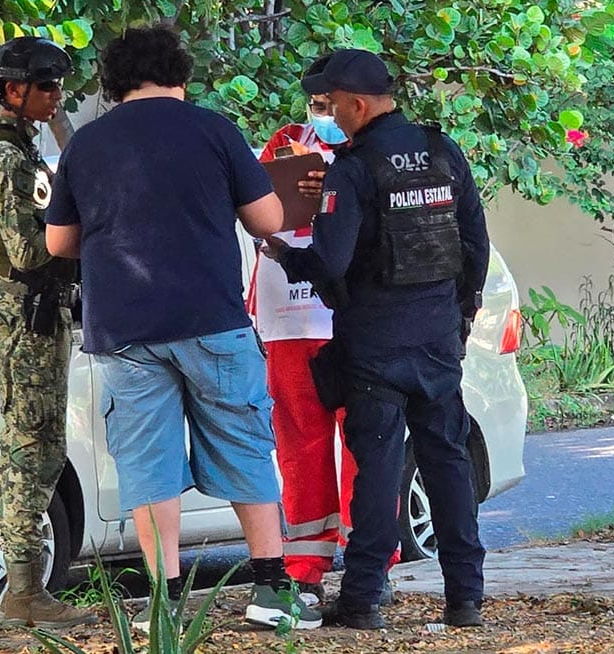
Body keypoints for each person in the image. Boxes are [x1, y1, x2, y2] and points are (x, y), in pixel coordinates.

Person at [43, 26, 321, 633]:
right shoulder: (215, 131)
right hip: (211, 320)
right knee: (245, 443)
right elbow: (266, 219)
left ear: (113, 83)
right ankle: (271, 590)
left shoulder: (85, 146)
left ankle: (164, 604)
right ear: (181, 77)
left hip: (124, 331)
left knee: (149, 462)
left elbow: (58, 242)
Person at [262, 49, 490, 630]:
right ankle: (466, 596)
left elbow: (332, 262)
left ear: (357, 104)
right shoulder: (444, 152)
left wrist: (285, 253)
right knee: (447, 464)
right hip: (438, 341)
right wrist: (457, 318)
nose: (325, 113)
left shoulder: (353, 169)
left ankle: (362, 600)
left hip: (375, 346)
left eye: (329, 103)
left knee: (378, 470)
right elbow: (475, 247)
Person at [250, 55, 399, 605]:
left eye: (330, 102)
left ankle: (371, 561)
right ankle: (305, 563)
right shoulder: (285, 141)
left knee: (366, 442)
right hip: (288, 316)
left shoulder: (372, 154)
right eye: (317, 103)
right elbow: (259, 209)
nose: (323, 113)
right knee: (299, 440)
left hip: (354, 315)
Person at [0, 36, 94, 628]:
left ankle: (27, 588)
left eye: (57, 84)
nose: (55, 94)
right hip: (30, 316)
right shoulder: (6, 156)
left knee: (41, 447)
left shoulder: (21, 150)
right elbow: (26, 247)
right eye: (45, 85)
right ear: (12, 90)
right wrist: (81, 218)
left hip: (42, 313)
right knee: (30, 450)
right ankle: (21, 589)